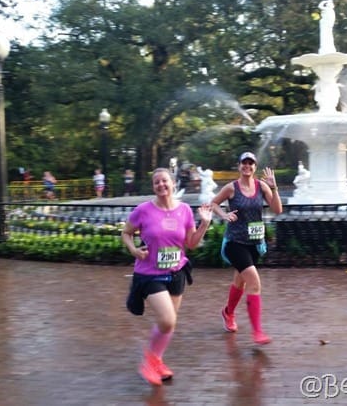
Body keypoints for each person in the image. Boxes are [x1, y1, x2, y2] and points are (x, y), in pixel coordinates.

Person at [121, 168, 213, 386]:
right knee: (167, 319)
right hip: (150, 273)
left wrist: (205, 224)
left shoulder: (185, 211)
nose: (161, 185)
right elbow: (126, 233)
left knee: (168, 325)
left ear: (173, 183)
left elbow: (190, 243)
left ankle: (157, 361)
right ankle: (149, 362)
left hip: (176, 272)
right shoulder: (143, 210)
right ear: (153, 187)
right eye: (156, 182)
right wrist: (134, 250)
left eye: (164, 181)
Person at [210, 151, 283, 345]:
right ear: (239, 165)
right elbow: (213, 204)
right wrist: (224, 215)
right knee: (254, 282)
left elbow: (277, 209)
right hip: (235, 243)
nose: (247, 166)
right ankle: (257, 332)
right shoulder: (231, 188)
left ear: (255, 167)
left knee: (240, 282)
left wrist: (274, 189)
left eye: (251, 163)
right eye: (244, 163)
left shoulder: (262, 187)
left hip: (254, 243)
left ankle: (228, 313)